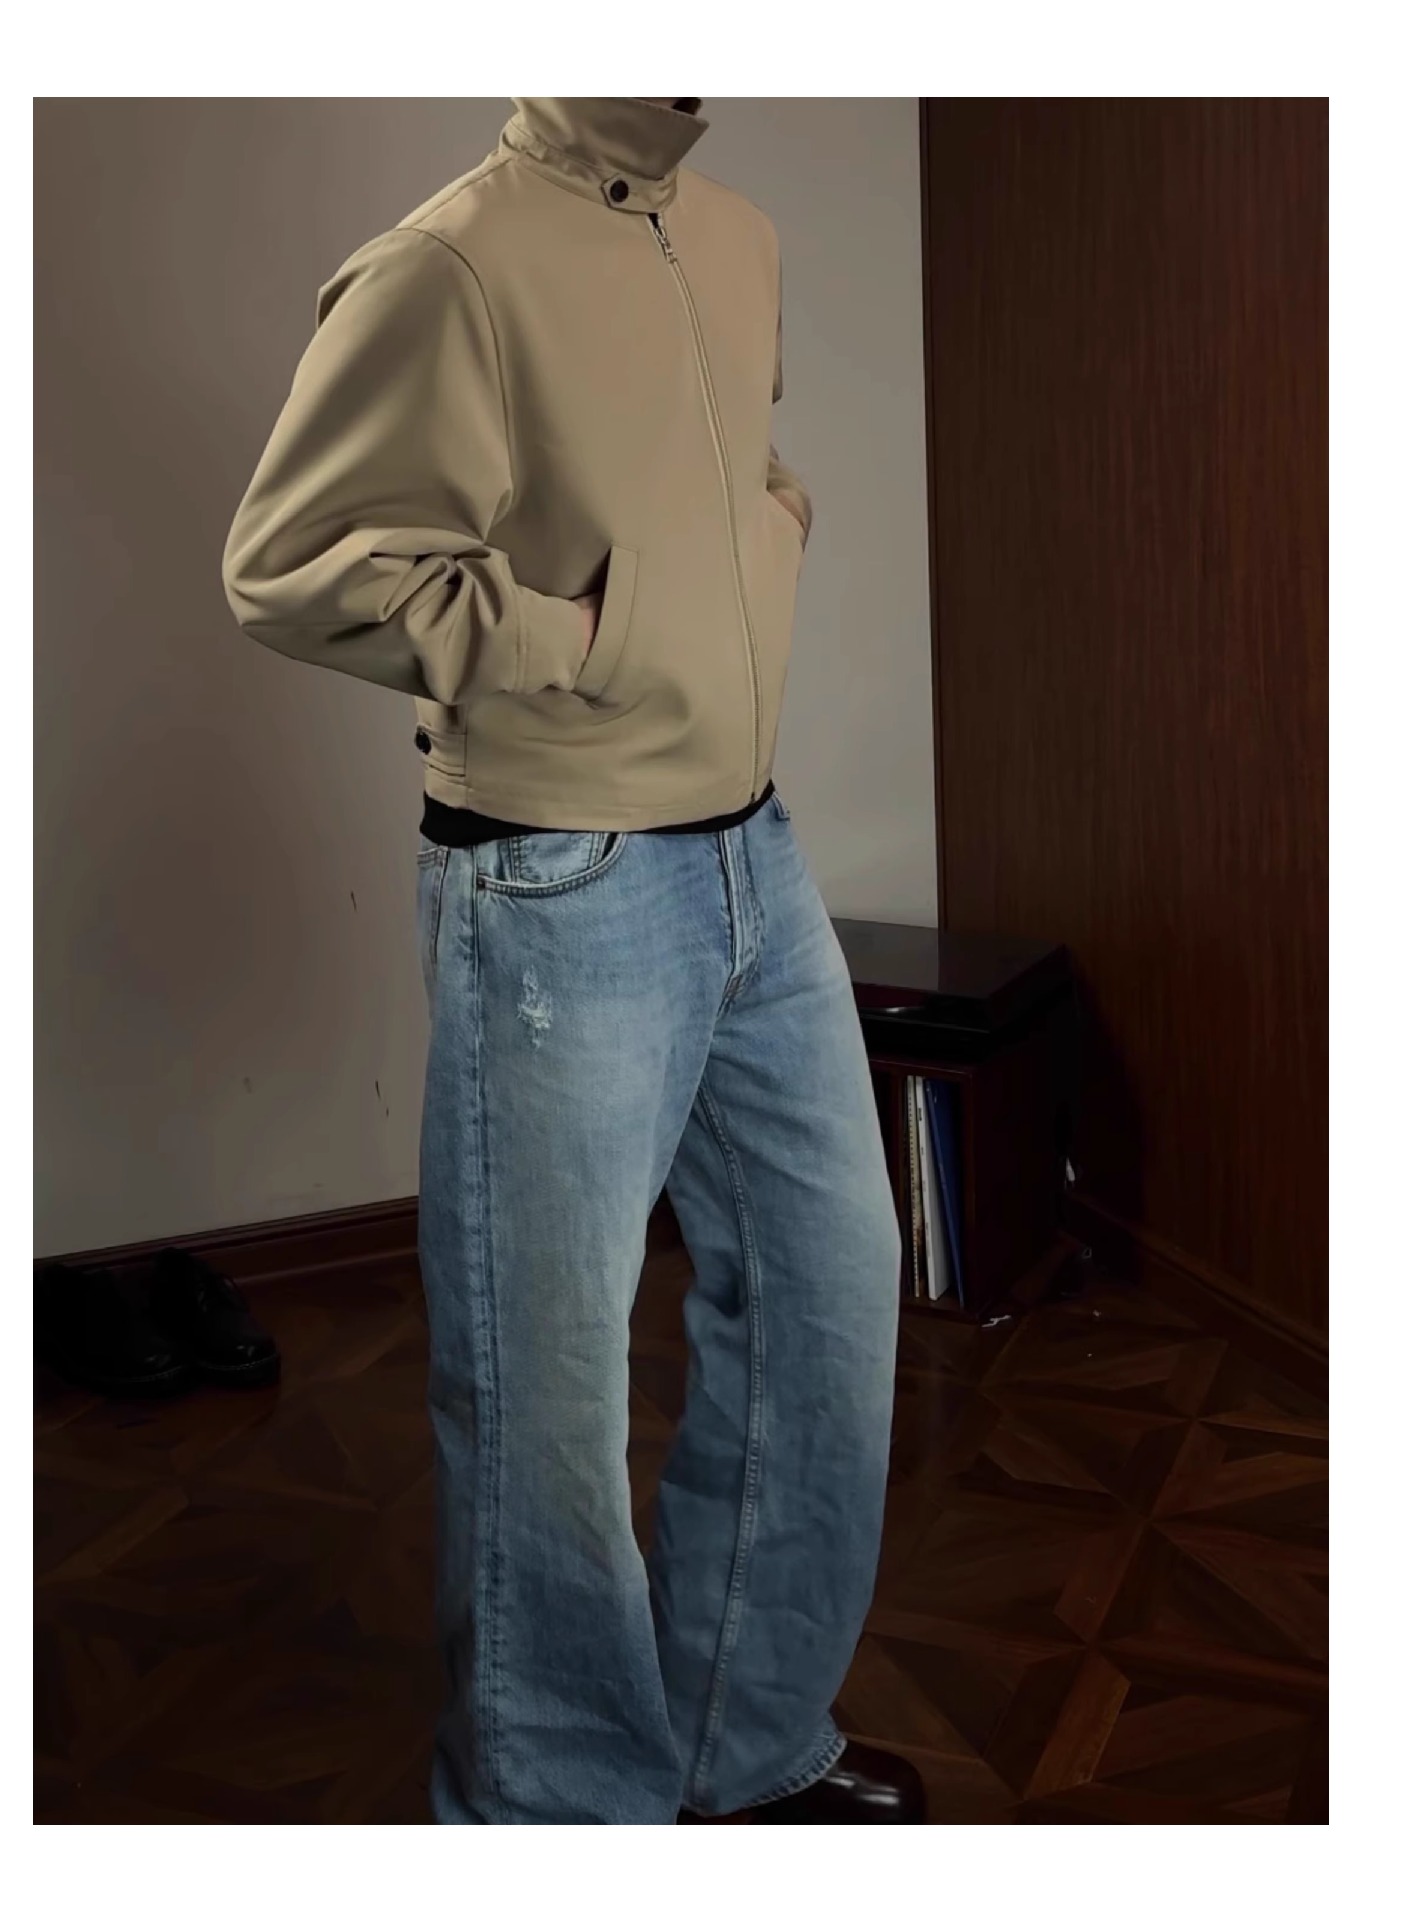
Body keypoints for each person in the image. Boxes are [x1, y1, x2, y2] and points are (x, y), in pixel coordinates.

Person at [221, 95, 918, 1826]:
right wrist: (581, 642)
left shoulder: (734, 231)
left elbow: (723, 480)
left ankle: (739, 1752)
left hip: (753, 849)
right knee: (545, 1391)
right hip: (559, 876)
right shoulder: (453, 263)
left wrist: (763, 545)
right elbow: (289, 566)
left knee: (830, 1295)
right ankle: (554, 1824)